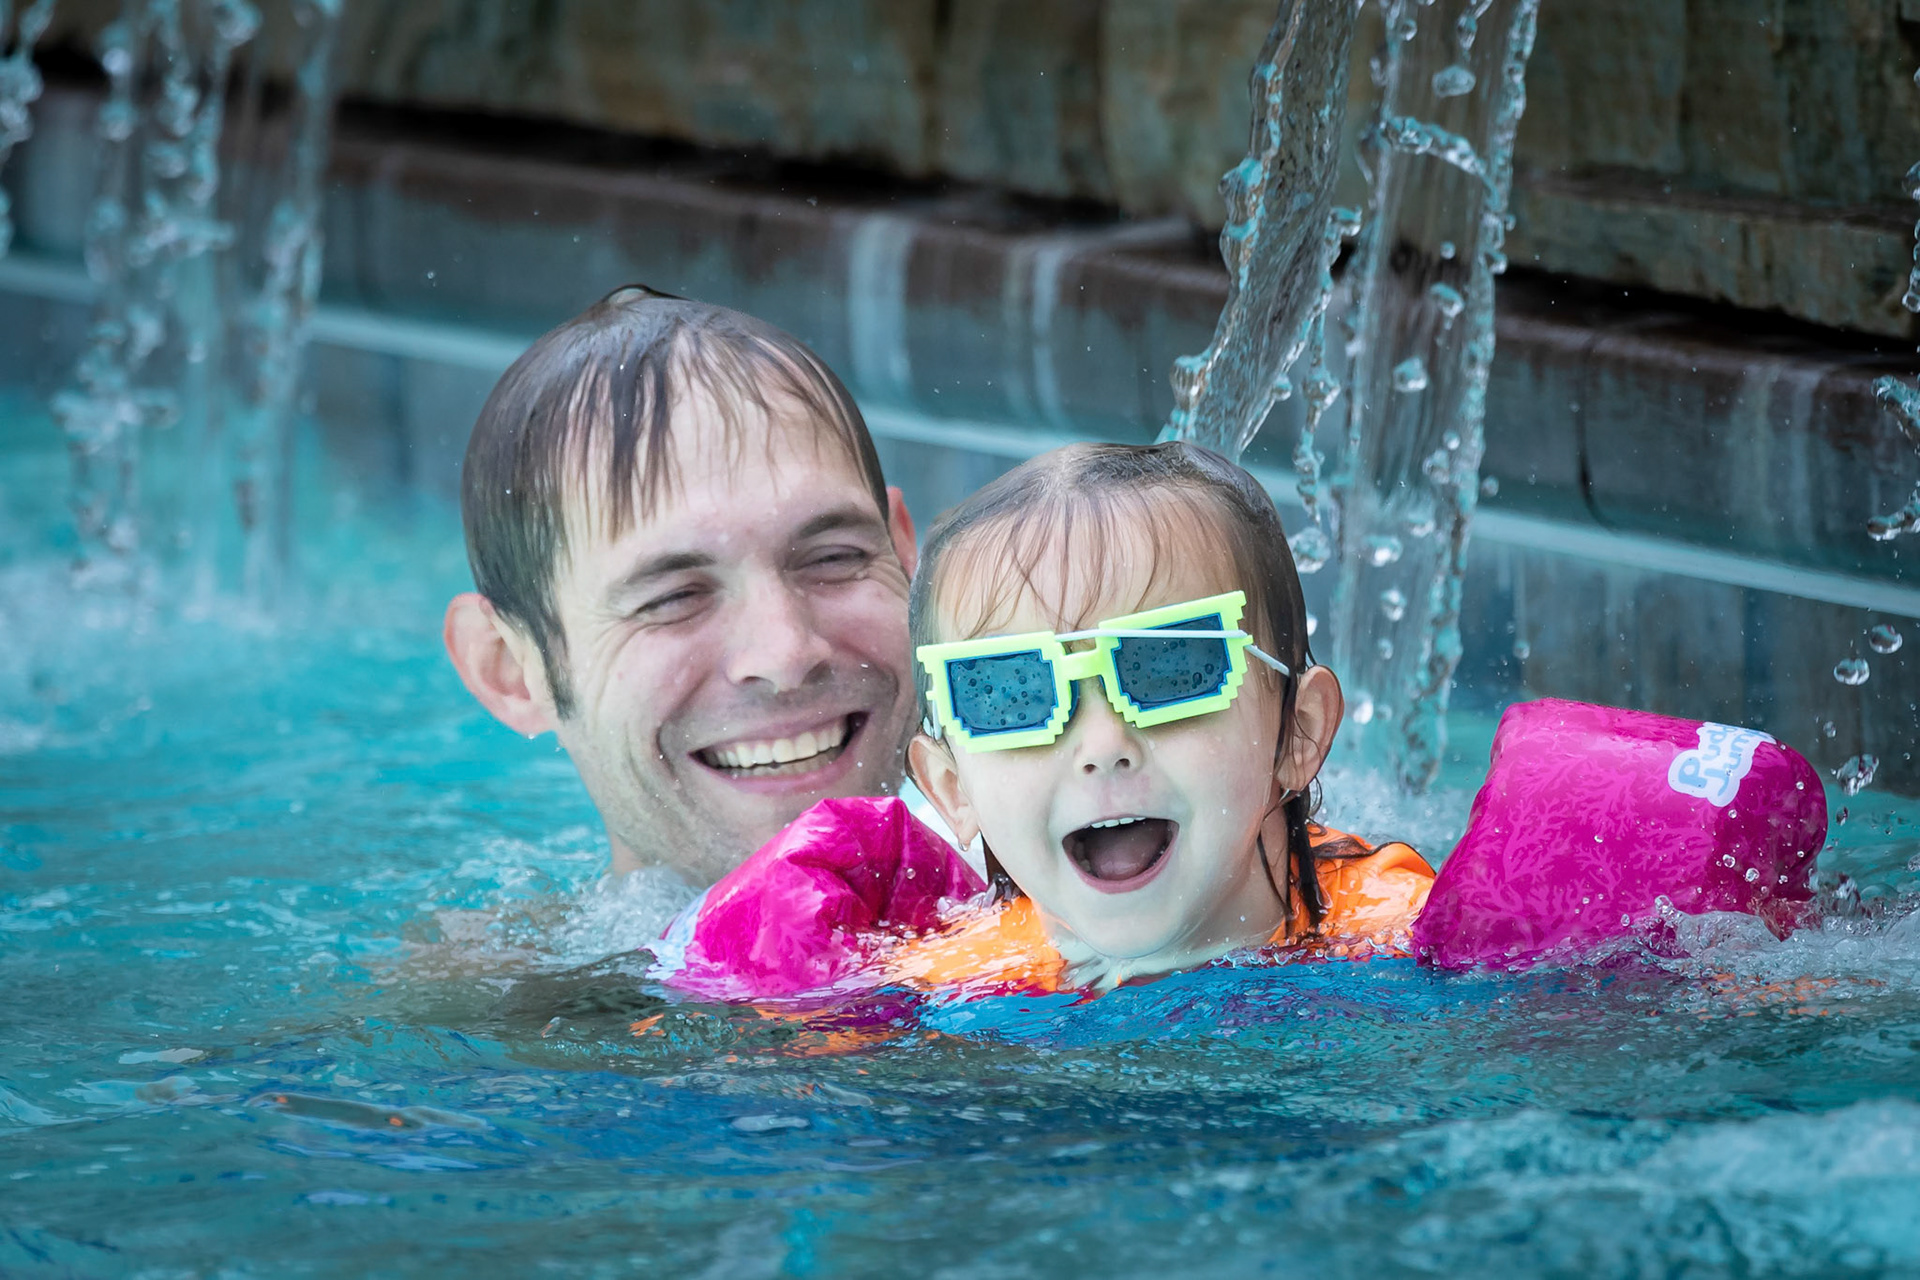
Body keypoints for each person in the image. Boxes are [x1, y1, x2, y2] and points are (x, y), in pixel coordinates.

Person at [654, 442, 1435, 999]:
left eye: (1167, 668)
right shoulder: (957, 981)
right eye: (1012, 695)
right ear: (953, 789)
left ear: (1298, 735)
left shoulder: (1402, 936)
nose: (1100, 746)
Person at [442, 285, 923, 889]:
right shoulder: (500, 983)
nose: (787, 654)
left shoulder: (1065, 889)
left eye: (832, 558)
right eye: (674, 598)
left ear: (908, 560)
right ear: (511, 669)